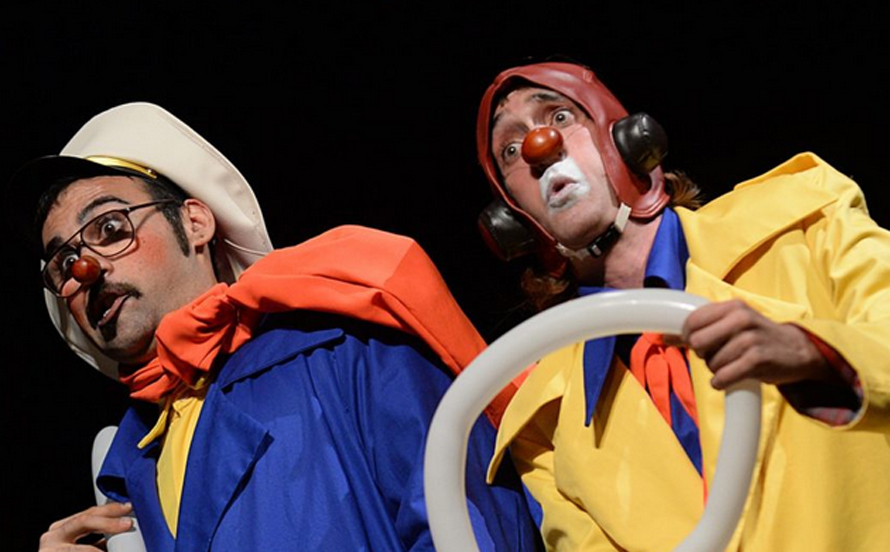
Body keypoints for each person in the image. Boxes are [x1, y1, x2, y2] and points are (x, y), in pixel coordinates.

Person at [9, 102, 540, 552]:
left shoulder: (348, 349)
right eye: (63, 263)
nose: (87, 269)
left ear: (195, 222)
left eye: (110, 227)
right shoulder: (127, 468)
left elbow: (476, 532)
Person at [474, 61, 890, 551]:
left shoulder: (805, 221)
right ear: (512, 219)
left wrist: (814, 353)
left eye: (560, 117)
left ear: (624, 138)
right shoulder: (544, 423)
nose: (539, 147)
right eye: (510, 150)